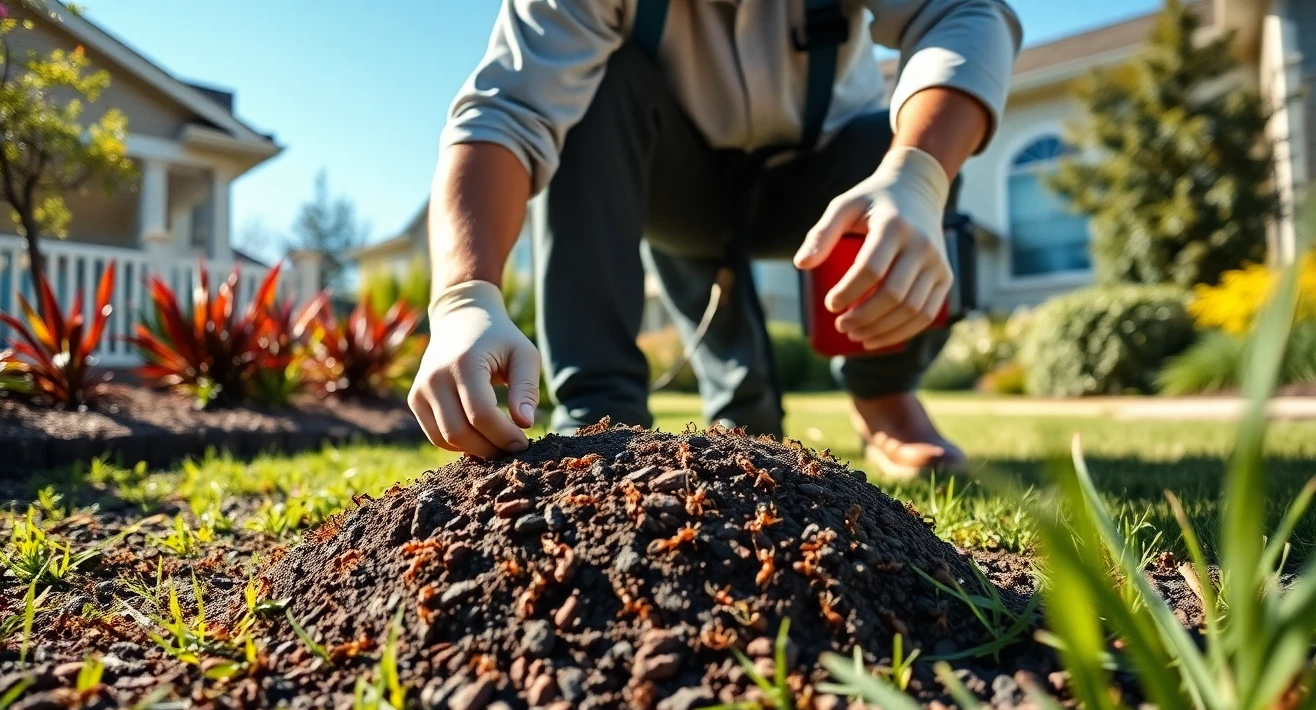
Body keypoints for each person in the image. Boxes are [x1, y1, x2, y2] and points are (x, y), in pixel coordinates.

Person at [409, 0, 1022, 478]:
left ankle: (885, 396)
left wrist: (916, 175)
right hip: (674, 187)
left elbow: (965, 13)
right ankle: (601, 418)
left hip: (830, 184)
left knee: (918, 135)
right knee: (598, 88)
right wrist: (464, 298)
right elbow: (507, 113)